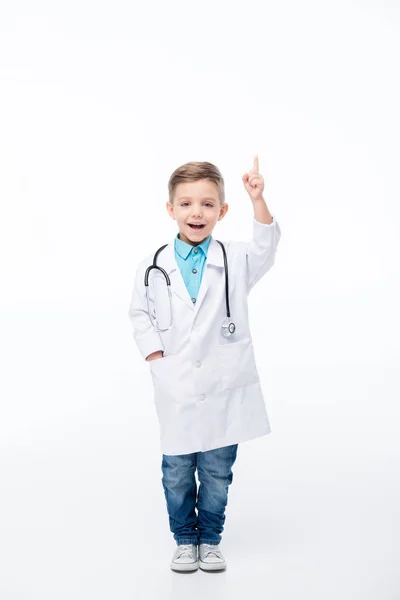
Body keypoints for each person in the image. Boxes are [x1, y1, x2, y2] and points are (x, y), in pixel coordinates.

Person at [128, 155, 281, 572]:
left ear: (222, 211)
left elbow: (266, 245)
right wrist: (156, 357)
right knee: (176, 472)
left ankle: (210, 539)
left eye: (208, 204)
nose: (197, 212)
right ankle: (184, 538)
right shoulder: (153, 265)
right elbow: (140, 314)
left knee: (216, 473)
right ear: (171, 209)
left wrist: (258, 198)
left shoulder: (234, 259)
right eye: (187, 203)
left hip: (223, 387)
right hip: (175, 386)